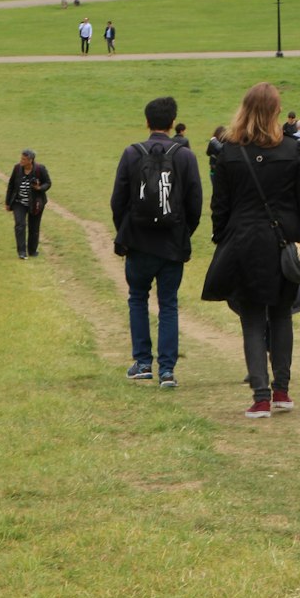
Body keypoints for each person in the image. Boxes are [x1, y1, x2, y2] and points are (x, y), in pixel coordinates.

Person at [202, 83, 300, 418]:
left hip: (243, 241)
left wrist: (222, 239)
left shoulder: (228, 152)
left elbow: (220, 206)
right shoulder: (293, 150)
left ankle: (260, 396)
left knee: (252, 318)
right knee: (282, 313)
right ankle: (282, 391)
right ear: (276, 111)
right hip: (285, 242)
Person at [110, 96, 203, 388]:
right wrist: (184, 233)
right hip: (172, 244)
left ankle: (141, 362)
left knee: (137, 298)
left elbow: (118, 201)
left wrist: (125, 232)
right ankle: (167, 370)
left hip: (138, 242)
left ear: (147, 122)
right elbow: (195, 202)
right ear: (173, 123)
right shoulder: (185, 156)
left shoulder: (131, 153)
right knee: (169, 304)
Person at [4, 149, 52, 259]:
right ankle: (21, 252)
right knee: (20, 225)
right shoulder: (17, 168)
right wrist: (7, 202)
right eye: (21, 158)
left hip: (35, 203)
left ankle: (32, 251)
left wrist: (40, 188)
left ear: (31, 160)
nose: (21, 161)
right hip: (19, 202)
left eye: (24, 159)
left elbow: (48, 183)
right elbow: (11, 185)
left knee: (34, 228)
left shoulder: (40, 169)